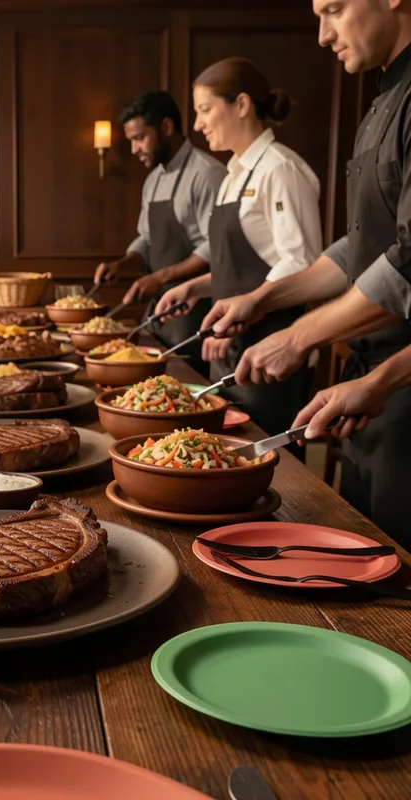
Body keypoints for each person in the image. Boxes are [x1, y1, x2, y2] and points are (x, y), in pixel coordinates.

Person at [201, 0, 411, 542]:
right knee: (365, 557)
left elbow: (409, 260)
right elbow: (358, 248)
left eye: (334, 9)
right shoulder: (383, 97)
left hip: (399, 381)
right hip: (369, 384)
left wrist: (298, 334)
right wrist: (262, 301)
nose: (322, 35)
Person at [155, 58, 323, 439]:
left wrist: (241, 318)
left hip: (270, 347)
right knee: (222, 456)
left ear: (242, 104)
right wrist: (195, 287)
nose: (197, 124)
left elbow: (301, 262)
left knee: (269, 465)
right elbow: (241, 268)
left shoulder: (280, 169)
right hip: (226, 343)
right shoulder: (233, 174)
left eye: (204, 109)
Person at [94, 91, 225, 376]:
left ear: (166, 127)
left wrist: (159, 277)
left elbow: (214, 249)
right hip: (158, 313)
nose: (133, 149)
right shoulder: (153, 179)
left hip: (196, 313)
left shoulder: (208, 174)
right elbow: (147, 239)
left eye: (140, 138)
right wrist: (124, 263)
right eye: (131, 140)